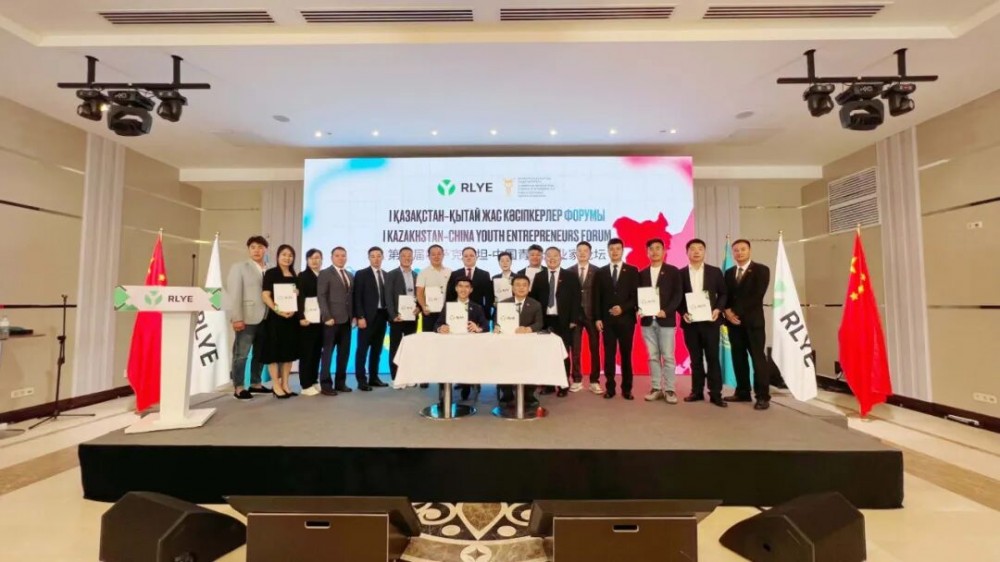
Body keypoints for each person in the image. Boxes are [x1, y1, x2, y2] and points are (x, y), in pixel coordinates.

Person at [679, 239, 728, 407]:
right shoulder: (681, 273)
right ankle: (697, 391)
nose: (696, 252)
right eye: (692, 249)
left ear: (704, 252)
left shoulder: (715, 272)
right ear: (687, 253)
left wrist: (718, 309)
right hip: (691, 323)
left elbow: (723, 293)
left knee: (713, 358)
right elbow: (678, 298)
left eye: (700, 249)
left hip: (710, 322)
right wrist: (683, 313)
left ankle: (716, 393)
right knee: (695, 359)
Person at [724, 239, 772, 410]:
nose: (739, 253)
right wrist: (726, 312)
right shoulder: (729, 272)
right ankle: (742, 391)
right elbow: (725, 295)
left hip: (753, 323)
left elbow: (756, 295)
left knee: (758, 359)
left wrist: (734, 312)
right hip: (733, 324)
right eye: (736, 250)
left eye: (743, 249)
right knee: (738, 358)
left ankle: (762, 396)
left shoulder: (761, 270)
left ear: (749, 250)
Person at [594, 238, 640, 400]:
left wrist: (623, 308)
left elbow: (636, 296)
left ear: (622, 250)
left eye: (618, 249)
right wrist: (597, 318)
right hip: (607, 322)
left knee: (626, 355)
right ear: (608, 251)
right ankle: (610, 388)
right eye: (611, 249)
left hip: (626, 320)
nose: (614, 252)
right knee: (609, 355)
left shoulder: (632, 271)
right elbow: (596, 297)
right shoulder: (600, 272)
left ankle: (627, 389)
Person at [638, 238, 683, 404]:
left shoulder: (673, 271)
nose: (655, 251)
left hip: (666, 320)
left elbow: (678, 295)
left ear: (664, 251)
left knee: (668, 356)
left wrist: (667, 311)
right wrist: (639, 308)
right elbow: (638, 296)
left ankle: (670, 389)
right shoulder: (642, 273)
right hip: (647, 321)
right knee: (652, 356)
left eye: (658, 248)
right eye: (651, 249)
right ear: (647, 253)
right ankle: (656, 388)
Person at [532, 247, 581, 397]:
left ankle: (563, 385)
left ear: (561, 258)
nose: (552, 259)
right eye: (549, 256)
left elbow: (576, 299)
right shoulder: (539, 276)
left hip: (564, 321)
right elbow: (534, 299)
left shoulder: (570, 276)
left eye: (555, 256)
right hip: (545, 321)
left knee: (563, 353)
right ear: (544, 258)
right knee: (545, 354)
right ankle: (548, 385)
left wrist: (573, 319)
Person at [225, 235, 269, 400]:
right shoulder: (239, 267)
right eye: (253, 247)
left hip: (267, 318)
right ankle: (239, 387)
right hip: (246, 317)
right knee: (241, 354)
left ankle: (256, 383)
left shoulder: (270, 268)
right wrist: (236, 317)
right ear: (248, 250)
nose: (257, 250)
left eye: (260, 247)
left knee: (260, 353)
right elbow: (234, 294)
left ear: (265, 249)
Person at [259, 244, 301, 398]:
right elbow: (265, 295)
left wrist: (295, 299)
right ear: (278, 256)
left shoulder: (295, 276)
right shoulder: (271, 273)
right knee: (274, 353)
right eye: (284, 254)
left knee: (288, 352)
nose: (287, 258)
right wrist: (278, 310)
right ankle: (276, 385)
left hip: (291, 319)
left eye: (290, 255)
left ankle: (285, 384)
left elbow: (297, 298)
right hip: (275, 319)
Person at [495, 274, 544, 406]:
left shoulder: (535, 304)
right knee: (504, 365)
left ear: (529, 288)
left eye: (524, 285)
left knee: (530, 366)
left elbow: (539, 323)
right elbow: (496, 322)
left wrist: (528, 329)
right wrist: (497, 327)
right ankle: (507, 393)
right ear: (512, 288)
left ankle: (529, 394)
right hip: (507, 344)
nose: (521, 288)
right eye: (517, 285)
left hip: (527, 344)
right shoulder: (503, 303)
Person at [317, 246, 354, 395]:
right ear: (331, 257)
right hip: (331, 321)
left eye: (343, 255)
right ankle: (326, 385)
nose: (340, 258)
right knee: (327, 354)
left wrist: (353, 316)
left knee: (343, 354)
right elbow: (321, 296)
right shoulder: (325, 273)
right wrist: (326, 316)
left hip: (346, 321)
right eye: (337, 255)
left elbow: (350, 298)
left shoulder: (350, 275)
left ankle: (340, 383)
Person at [352, 246, 390, 391]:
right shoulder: (361, 274)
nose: (376, 259)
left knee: (377, 350)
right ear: (369, 258)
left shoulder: (386, 275)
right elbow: (357, 297)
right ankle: (361, 380)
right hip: (366, 318)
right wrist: (360, 316)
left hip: (382, 316)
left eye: (379, 256)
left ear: (383, 257)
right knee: (362, 350)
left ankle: (374, 378)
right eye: (373, 256)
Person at [385, 246, 420, 384]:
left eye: (409, 256)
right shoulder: (391, 274)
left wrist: (419, 308)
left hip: (412, 317)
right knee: (395, 347)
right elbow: (388, 297)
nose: (407, 258)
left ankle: (409, 376)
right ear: (399, 257)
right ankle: (396, 377)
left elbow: (420, 296)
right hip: (397, 318)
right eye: (404, 255)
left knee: (410, 347)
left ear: (413, 258)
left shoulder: (416, 275)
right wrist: (393, 315)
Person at [571, 241, 602, 394]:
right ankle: (577, 379)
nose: (582, 253)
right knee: (575, 349)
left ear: (590, 253)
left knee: (594, 349)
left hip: (592, 315)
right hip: (575, 316)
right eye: (580, 250)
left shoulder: (598, 271)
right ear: (575, 253)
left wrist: (599, 317)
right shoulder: (569, 272)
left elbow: (600, 296)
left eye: (585, 251)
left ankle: (594, 381)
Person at [297, 249, 324, 396]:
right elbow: (299, 298)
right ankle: (305, 384)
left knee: (316, 352)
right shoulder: (303, 276)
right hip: (307, 320)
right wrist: (300, 317)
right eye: (311, 258)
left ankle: (314, 380)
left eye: (317, 258)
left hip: (320, 320)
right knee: (307, 353)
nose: (314, 261)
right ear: (307, 260)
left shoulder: (323, 275)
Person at [416, 244, 452, 332]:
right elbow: (419, 293)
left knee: (446, 337)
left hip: (447, 312)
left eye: (439, 254)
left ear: (443, 255)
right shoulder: (423, 273)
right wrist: (423, 306)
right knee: (429, 337)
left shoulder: (450, 272)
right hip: (429, 312)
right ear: (428, 256)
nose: (436, 256)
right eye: (433, 254)